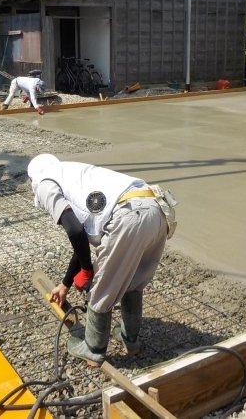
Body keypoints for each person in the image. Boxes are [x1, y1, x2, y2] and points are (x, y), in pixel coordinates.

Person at [27, 154, 173, 366]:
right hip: (156, 208)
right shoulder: (74, 173)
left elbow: (75, 232)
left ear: (33, 178)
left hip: (129, 216)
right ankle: (130, 340)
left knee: (103, 286)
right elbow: (84, 236)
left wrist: (87, 270)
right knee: (133, 281)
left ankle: (93, 349)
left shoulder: (44, 183)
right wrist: (65, 284)